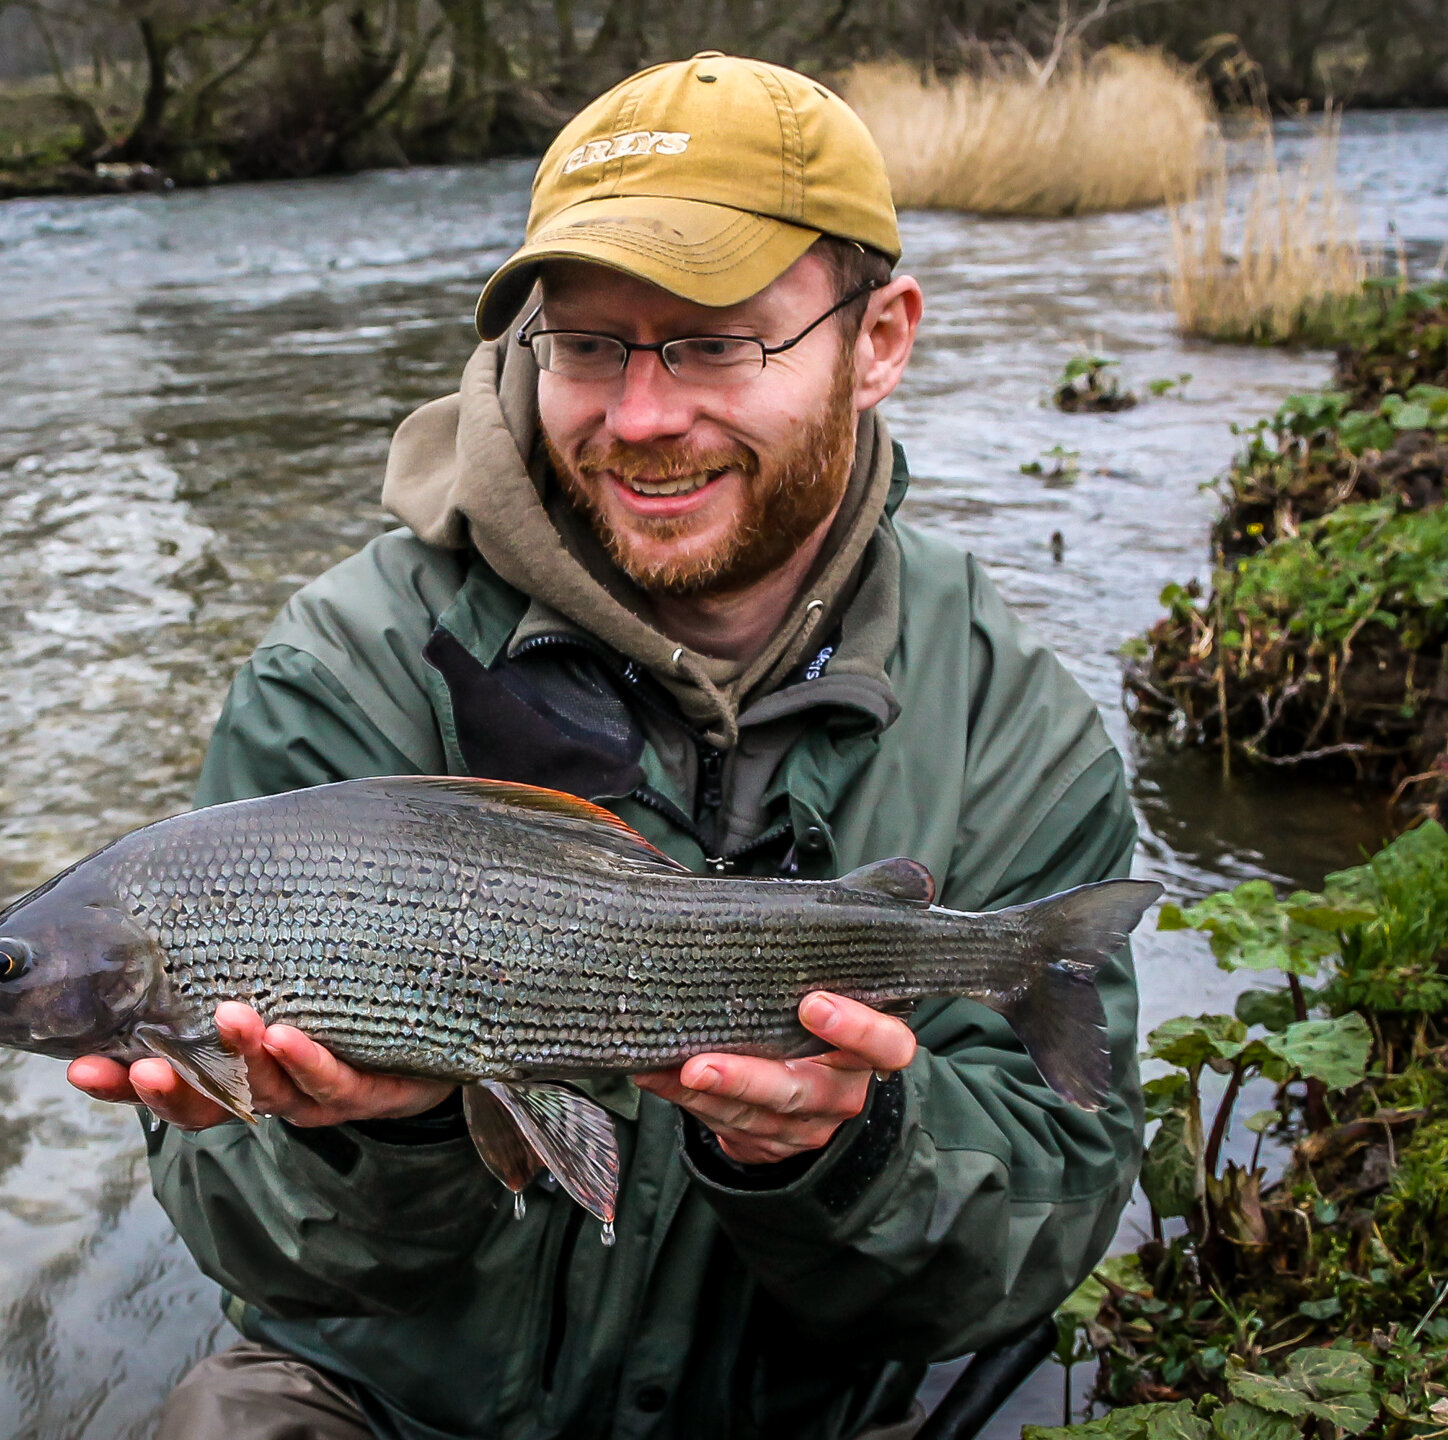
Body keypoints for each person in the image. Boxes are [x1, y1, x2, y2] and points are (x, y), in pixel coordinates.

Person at [70, 50, 1143, 1440]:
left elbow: (1030, 1245)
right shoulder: (345, 670)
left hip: (796, 1404)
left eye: (713, 341)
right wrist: (387, 1129)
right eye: (588, 346)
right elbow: (266, 1257)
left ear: (879, 339)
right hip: (403, 1403)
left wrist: (849, 1147)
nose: (641, 418)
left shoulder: (1013, 728)